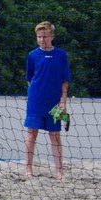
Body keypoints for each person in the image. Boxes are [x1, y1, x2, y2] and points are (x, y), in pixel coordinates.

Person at [24, 21, 71, 180]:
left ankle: (59, 172)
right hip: (35, 101)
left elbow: (65, 80)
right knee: (32, 133)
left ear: (52, 37)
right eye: (38, 37)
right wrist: (35, 94)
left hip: (54, 102)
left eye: (44, 37)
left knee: (55, 135)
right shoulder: (32, 55)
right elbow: (29, 79)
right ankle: (28, 169)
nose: (41, 40)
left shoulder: (60, 55)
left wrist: (63, 102)